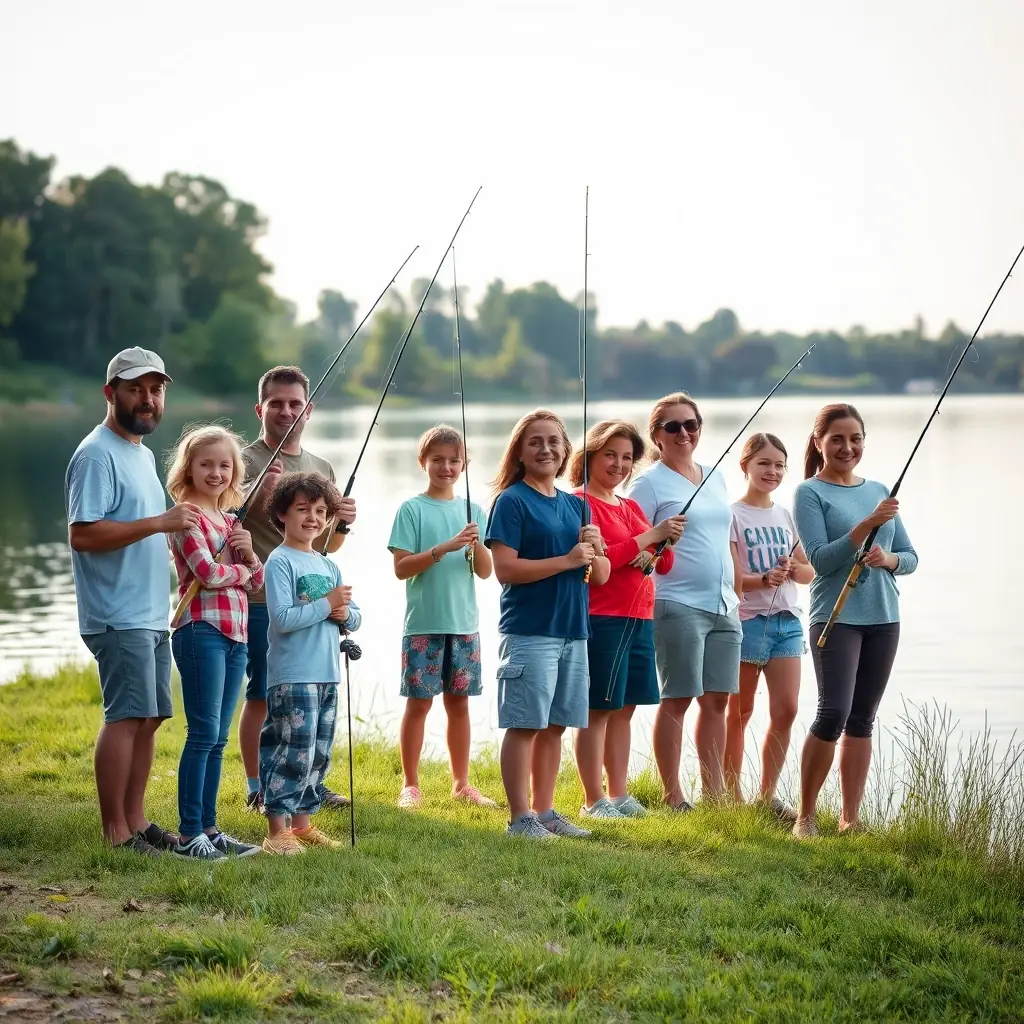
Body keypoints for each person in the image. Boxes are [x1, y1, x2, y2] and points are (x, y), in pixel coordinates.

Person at [65, 347, 191, 856]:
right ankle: (115, 831)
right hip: (116, 615)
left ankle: (137, 821)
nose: (148, 399)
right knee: (125, 715)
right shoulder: (96, 453)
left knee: (151, 715)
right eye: (136, 388)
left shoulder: (138, 453)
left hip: (149, 612)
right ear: (110, 392)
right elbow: (85, 535)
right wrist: (160, 522)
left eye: (156, 389)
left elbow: (146, 531)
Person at [791, 403, 918, 838]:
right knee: (833, 713)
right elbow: (822, 561)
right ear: (819, 443)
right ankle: (805, 818)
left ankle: (850, 820)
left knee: (863, 717)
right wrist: (866, 525)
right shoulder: (809, 492)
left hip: (884, 617)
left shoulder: (879, 488)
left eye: (856, 438)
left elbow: (911, 558)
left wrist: (889, 559)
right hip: (836, 618)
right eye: (838, 439)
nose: (848, 447)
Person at [484, 409, 610, 840]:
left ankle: (546, 811)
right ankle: (519, 819)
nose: (546, 449)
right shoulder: (512, 501)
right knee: (525, 725)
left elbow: (604, 575)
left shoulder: (577, 504)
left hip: (574, 630)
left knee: (556, 725)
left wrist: (597, 550)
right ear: (519, 451)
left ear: (565, 450)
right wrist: (568, 560)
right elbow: (505, 569)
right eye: (535, 441)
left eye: (554, 441)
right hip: (530, 629)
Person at [238, 365, 356, 815]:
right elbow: (224, 512)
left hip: (314, 603)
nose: (286, 411)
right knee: (264, 694)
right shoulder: (245, 458)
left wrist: (342, 521)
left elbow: (326, 544)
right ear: (260, 409)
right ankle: (257, 785)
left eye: (295, 404)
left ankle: (309, 783)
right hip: (261, 599)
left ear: (308, 409)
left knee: (311, 698)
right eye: (276, 404)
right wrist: (254, 492)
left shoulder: (320, 466)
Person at [628, 392, 742, 809]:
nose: (683, 433)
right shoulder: (648, 483)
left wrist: (738, 591)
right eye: (673, 426)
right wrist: (659, 534)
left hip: (725, 606)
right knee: (677, 697)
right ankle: (672, 795)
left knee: (718, 700)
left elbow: (725, 539)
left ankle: (715, 797)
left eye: (690, 424)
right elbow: (632, 544)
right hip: (677, 603)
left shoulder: (715, 475)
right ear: (657, 435)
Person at [568, 419, 685, 818]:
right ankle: (592, 799)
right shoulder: (580, 504)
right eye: (610, 455)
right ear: (590, 456)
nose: (619, 464)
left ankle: (619, 793)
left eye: (627, 458)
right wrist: (650, 538)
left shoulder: (630, 506)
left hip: (640, 616)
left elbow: (663, 562)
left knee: (625, 708)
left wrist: (658, 542)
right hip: (603, 617)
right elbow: (606, 560)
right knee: (597, 710)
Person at [165, 425, 265, 859]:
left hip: (236, 636)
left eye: (225, 465)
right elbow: (206, 574)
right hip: (199, 631)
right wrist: (241, 573)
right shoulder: (188, 516)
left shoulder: (230, 521)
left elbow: (258, 580)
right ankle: (190, 835)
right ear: (188, 468)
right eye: (206, 464)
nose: (216, 472)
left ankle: (211, 829)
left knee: (219, 737)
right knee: (202, 732)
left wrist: (249, 553)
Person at [387, 425, 496, 810]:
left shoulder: (474, 511)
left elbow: (484, 571)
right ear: (423, 463)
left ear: (464, 464)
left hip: (464, 624)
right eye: (438, 460)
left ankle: (461, 783)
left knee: (459, 705)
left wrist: (475, 543)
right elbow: (402, 568)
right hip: (423, 625)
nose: (446, 467)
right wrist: (443, 548)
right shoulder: (412, 509)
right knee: (418, 704)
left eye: (453, 461)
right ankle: (410, 785)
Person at [259, 471, 361, 855]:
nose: (313, 518)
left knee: (318, 753)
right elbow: (283, 618)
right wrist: (327, 605)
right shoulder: (279, 562)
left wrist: (343, 614)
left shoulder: (327, 564)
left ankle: (301, 826)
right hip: (293, 676)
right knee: (290, 751)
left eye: (321, 511)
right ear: (283, 514)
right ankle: (276, 832)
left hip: (327, 675)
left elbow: (352, 615)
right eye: (303, 509)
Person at [723, 432, 814, 822]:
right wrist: (764, 580)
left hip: (786, 624)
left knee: (787, 710)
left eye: (779, 465)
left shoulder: (784, 515)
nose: (772, 471)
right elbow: (731, 577)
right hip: (746, 623)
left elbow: (808, 573)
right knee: (739, 713)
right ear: (745, 466)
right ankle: (731, 795)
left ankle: (768, 795)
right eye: (764, 464)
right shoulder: (732, 515)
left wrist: (793, 569)